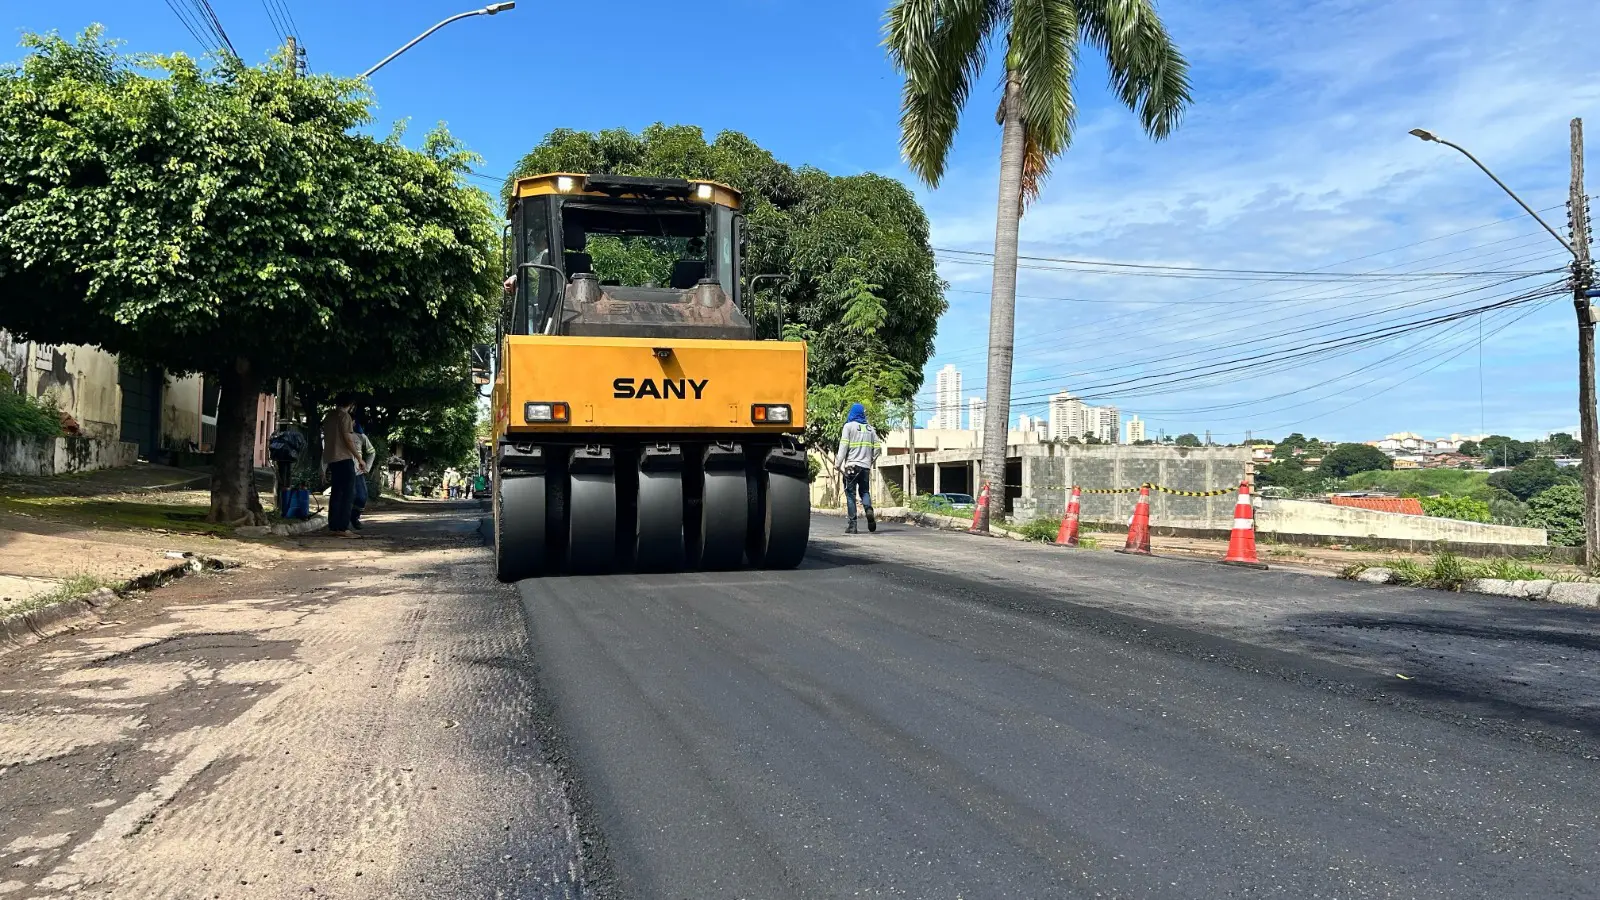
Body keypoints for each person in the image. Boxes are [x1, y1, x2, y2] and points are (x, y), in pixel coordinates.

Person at [321, 393, 364, 538]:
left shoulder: (329, 416)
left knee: (336, 492)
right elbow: (348, 439)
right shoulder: (345, 417)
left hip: (331, 458)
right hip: (344, 458)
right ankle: (342, 527)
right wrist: (359, 458)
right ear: (351, 404)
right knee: (347, 494)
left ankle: (333, 526)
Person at [834, 402, 879, 534]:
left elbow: (843, 447)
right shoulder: (870, 429)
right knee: (865, 492)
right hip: (865, 467)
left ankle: (853, 526)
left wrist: (838, 463)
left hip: (851, 467)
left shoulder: (848, 427)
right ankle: (868, 509)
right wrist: (870, 461)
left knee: (850, 495)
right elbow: (877, 448)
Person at [350, 422, 377, 531]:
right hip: (342, 471)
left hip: (357, 472)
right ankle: (341, 523)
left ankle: (354, 517)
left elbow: (372, 452)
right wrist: (323, 470)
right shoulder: (337, 435)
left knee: (361, 497)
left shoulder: (361, 436)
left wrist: (367, 468)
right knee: (345, 498)